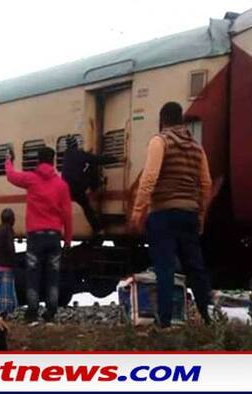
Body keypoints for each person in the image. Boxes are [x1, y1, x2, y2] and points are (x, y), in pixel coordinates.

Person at [130, 101, 213, 328]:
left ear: (162, 120)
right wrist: (201, 214)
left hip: (164, 213)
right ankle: (207, 316)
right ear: (182, 120)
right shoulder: (197, 148)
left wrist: (139, 210)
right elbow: (206, 183)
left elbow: (150, 177)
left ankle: (165, 321)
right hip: (189, 213)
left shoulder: (160, 141)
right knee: (195, 266)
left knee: (164, 267)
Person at [5, 146, 73, 322]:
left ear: (38, 161)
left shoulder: (31, 179)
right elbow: (67, 214)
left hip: (35, 237)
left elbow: (11, 176)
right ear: (52, 161)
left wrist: (8, 161)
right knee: (53, 275)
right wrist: (67, 240)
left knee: (33, 275)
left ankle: (32, 312)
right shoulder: (62, 185)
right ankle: (50, 312)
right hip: (54, 236)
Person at [60, 136, 117, 236]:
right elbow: (96, 159)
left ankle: (98, 229)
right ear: (76, 144)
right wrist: (114, 159)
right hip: (78, 187)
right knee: (92, 165)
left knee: (86, 206)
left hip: (66, 189)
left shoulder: (67, 156)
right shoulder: (80, 154)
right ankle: (96, 187)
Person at [0, 208, 18, 316]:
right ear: (11, 219)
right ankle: (5, 312)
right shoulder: (8, 230)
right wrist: (14, 261)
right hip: (6, 265)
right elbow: (10, 247)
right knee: (6, 292)